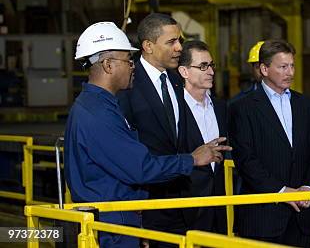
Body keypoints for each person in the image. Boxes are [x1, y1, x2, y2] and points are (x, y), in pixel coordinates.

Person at [64, 21, 230, 248]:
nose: (133, 66)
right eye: (127, 60)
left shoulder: (101, 106)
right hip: (111, 227)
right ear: (108, 65)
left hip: (123, 219)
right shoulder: (97, 113)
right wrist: (192, 159)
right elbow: (140, 168)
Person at [117, 13, 214, 243]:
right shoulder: (127, 85)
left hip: (183, 202)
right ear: (148, 46)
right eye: (171, 42)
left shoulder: (176, 80)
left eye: (179, 40)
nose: (180, 47)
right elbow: (125, 150)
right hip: (147, 204)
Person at [228, 39, 310, 247]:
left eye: (292, 66)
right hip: (263, 217)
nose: (290, 72)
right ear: (264, 69)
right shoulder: (242, 108)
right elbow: (246, 159)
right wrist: (282, 191)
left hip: (302, 214)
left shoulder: (306, 105)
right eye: (283, 67)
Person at [177, 40, 228, 233]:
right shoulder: (174, 109)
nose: (211, 72)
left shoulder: (222, 107)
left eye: (211, 65)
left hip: (221, 205)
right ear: (184, 72)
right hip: (187, 207)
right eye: (203, 66)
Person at [228, 41, 264, 106]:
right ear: (252, 68)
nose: (263, 71)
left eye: (267, 66)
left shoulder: (286, 97)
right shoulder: (238, 102)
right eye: (258, 67)